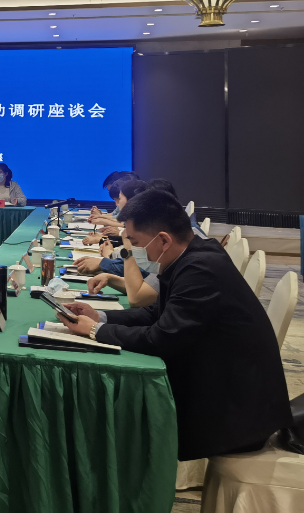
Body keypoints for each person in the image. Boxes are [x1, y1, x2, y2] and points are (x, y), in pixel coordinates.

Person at [57, 189, 291, 461]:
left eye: (135, 242)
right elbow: (156, 313)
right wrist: (101, 317)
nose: (133, 249)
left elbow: (161, 338)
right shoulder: (193, 254)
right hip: (223, 384)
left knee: (118, 415)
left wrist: (95, 331)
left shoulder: (200, 269)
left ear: (164, 240)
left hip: (236, 413)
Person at [75, 179, 149, 275]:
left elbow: (140, 270)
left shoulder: (144, 229)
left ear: (131, 201)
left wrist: (107, 258)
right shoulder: (136, 224)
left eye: (119, 199)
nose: (117, 204)